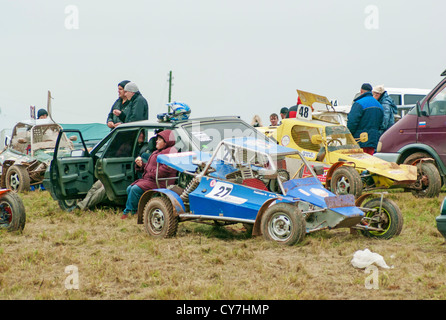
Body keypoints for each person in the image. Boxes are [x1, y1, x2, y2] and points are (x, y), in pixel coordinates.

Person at [121, 129, 177, 219]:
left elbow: (164, 171)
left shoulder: (170, 153)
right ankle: (136, 211)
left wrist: (149, 172)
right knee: (129, 188)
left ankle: (128, 213)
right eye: (157, 139)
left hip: (160, 182)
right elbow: (152, 167)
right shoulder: (158, 151)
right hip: (152, 179)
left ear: (166, 141)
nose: (156, 141)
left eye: (159, 139)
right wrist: (142, 165)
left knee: (135, 189)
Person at [347, 84, 384, 155]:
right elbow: (381, 123)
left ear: (361, 91)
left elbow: (352, 122)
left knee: (359, 162)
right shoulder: (379, 105)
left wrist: (349, 136)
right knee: (369, 161)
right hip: (373, 140)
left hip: (359, 140)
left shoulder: (359, 103)